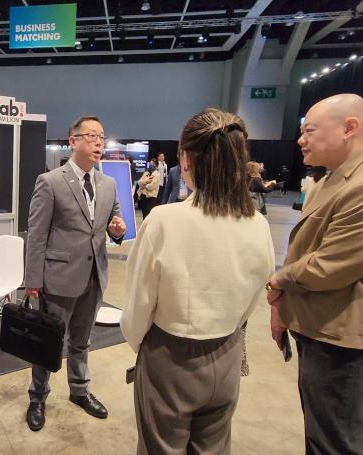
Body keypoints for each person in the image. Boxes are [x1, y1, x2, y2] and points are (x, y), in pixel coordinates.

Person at [267, 94, 363, 455]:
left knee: (337, 442)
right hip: (323, 328)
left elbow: (333, 265)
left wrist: (279, 280)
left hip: (344, 339)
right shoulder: (338, 178)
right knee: (323, 435)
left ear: (349, 128)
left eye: (310, 131)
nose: (301, 140)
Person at [122, 108, 274, 454]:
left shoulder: (164, 220)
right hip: (228, 352)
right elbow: (254, 296)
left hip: (170, 356)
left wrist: (143, 347)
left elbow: (138, 303)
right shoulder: (258, 224)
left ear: (187, 158)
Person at [24, 116, 127, 431]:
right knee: (48, 343)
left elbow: (115, 222)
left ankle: (79, 391)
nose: (99, 142)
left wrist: (118, 230)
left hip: (94, 276)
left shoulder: (108, 184)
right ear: (73, 141)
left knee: (82, 341)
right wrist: (33, 281)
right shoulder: (50, 181)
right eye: (92, 136)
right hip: (58, 278)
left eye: (102, 137)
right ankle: (37, 397)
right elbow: (37, 235)